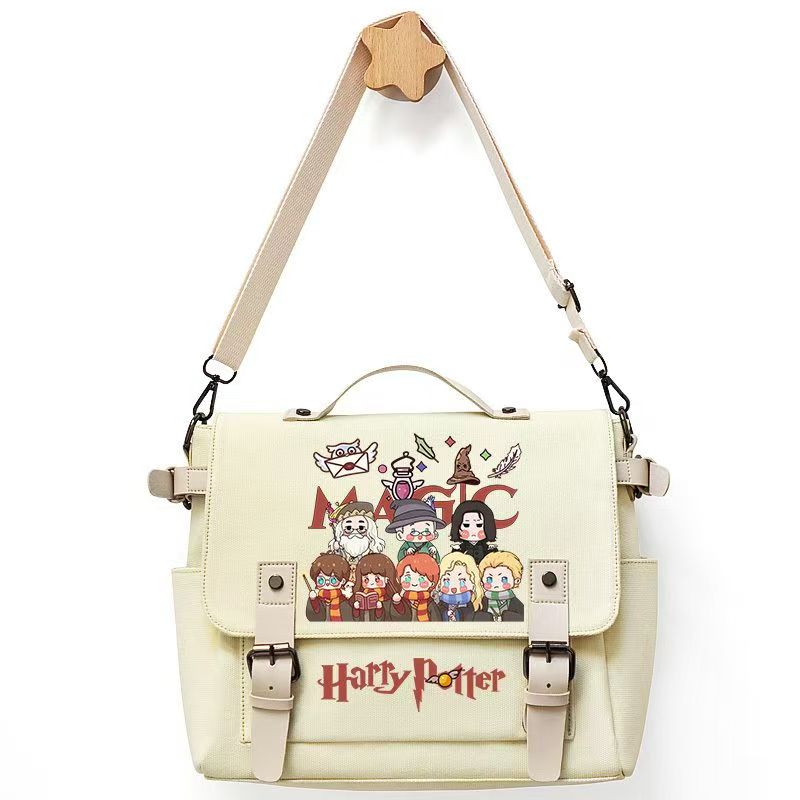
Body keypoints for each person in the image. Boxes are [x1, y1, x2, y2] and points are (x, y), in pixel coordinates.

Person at [475, 551, 525, 622]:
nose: (496, 583)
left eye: (504, 579)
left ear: (516, 580)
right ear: (482, 582)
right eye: (489, 579)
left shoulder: (515, 602)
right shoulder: (482, 601)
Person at [436, 551, 484, 621]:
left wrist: (457, 613)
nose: (453, 587)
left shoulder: (468, 602)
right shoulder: (442, 602)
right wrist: (446, 613)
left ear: (473, 583)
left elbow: (469, 614)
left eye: (462, 581)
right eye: (446, 581)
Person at [393, 553, 442, 621]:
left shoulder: (429, 603)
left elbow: (436, 620)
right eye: (408, 578)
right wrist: (397, 603)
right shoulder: (403, 600)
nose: (414, 583)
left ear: (432, 583)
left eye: (421, 579)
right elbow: (396, 618)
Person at [449, 500, 498, 565]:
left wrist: (492, 550)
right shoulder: (460, 548)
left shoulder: (487, 548)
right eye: (466, 525)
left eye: (479, 525)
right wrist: (456, 550)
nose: (473, 530)